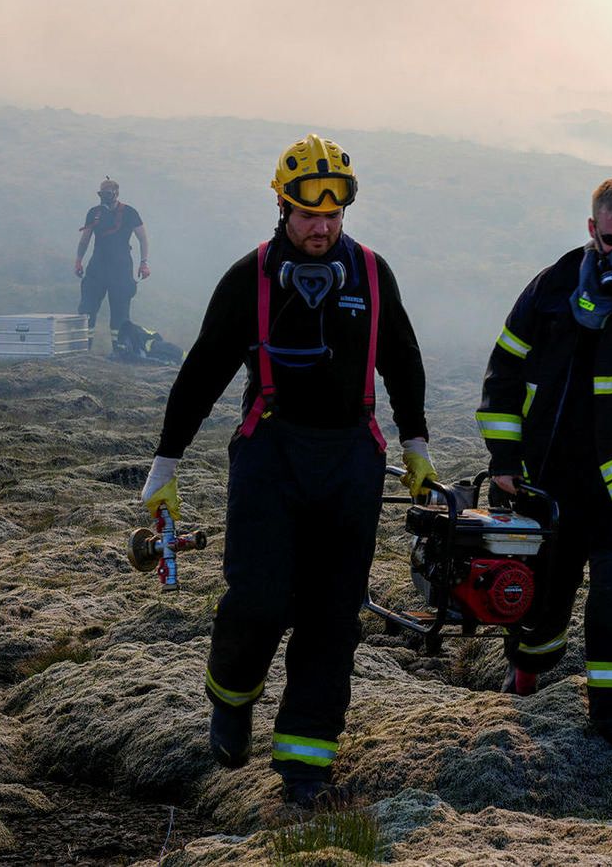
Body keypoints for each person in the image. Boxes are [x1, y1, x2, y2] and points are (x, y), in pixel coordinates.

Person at [137, 135, 436, 808]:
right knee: (260, 601)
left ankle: (305, 765)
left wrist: (415, 441)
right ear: (282, 204)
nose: (321, 227)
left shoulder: (373, 275)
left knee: (334, 617)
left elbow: (404, 360)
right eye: (307, 213)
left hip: (352, 459)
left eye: (332, 215)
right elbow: (204, 369)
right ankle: (231, 697)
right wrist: (166, 462)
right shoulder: (250, 277)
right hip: (270, 454)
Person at [477, 177, 612, 758]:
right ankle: (526, 671)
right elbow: (502, 375)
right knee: (542, 605)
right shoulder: (550, 289)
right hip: (548, 481)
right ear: (591, 232)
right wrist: (504, 460)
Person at [75, 177, 149, 346]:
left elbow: (143, 239)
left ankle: (121, 350)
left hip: (121, 270)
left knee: (120, 313)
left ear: (116, 193)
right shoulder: (94, 213)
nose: (104, 197)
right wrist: (78, 260)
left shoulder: (130, 213)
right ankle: (83, 349)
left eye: (107, 194)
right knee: (87, 309)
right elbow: (84, 240)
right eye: (101, 194)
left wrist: (144, 263)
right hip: (97, 269)